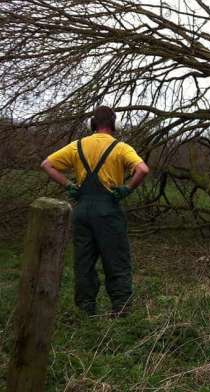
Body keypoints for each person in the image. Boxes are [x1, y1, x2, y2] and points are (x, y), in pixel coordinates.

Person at [41, 106, 149, 316]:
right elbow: (143, 169)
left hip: (82, 210)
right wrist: (127, 189)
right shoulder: (121, 147)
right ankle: (121, 310)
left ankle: (86, 310)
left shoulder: (77, 146)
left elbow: (46, 164)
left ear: (92, 124)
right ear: (115, 125)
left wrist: (69, 186)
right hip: (108, 211)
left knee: (84, 262)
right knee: (116, 260)